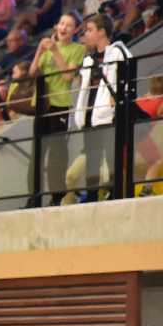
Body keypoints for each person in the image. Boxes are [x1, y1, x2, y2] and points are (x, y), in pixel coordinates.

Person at [29, 10, 85, 206]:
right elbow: (33, 71)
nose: (64, 28)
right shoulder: (48, 47)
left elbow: (67, 76)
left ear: (75, 30)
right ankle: (34, 196)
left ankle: (56, 196)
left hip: (60, 105)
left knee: (57, 153)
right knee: (37, 152)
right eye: (61, 23)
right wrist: (39, 50)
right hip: (42, 104)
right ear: (56, 26)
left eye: (69, 25)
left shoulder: (78, 49)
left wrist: (54, 51)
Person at [74, 13, 130, 202]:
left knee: (112, 159)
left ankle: (115, 196)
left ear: (102, 32)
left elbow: (128, 78)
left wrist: (115, 103)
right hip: (89, 117)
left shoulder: (118, 52)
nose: (86, 34)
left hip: (108, 116)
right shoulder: (88, 59)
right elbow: (84, 89)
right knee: (92, 161)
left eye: (89, 30)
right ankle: (91, 198)